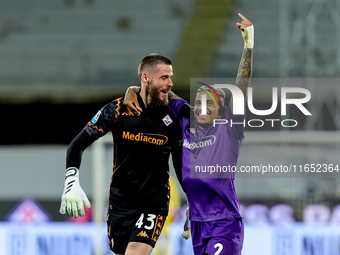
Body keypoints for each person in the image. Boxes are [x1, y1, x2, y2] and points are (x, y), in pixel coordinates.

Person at [124, 13, 254, 255]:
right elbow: (160, 89)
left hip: (224, 224)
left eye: (209, 104)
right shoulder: (185, 121)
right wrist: (133, 88)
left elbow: (241, 87)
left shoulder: (228, 129)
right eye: (199, 102)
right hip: (198, 225)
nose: (202, 107)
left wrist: (248, 45)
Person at [59, 53, 184, 255]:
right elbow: (77, 145)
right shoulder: (118, 110)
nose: (170, 83)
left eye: (171, 77)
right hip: (120, 203)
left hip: (153, 202)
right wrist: (71, 181)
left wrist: (194, 203)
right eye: (164, 78)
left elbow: (179, 162)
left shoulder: (175, 114)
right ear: (145, 78)